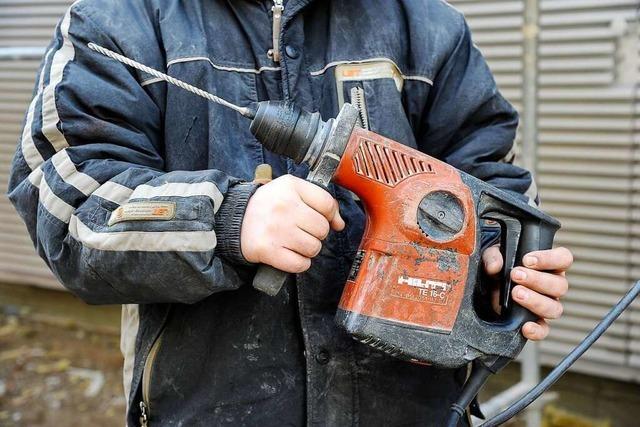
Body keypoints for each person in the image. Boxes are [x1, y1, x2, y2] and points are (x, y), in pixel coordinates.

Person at [8, 0, 573, 425]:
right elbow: (66, 202)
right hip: (208, 406)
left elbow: (490, 177)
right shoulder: (120, 20)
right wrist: (226, 220)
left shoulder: (424, 24)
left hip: (414, 406)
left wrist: (504, 267)